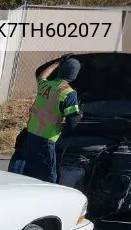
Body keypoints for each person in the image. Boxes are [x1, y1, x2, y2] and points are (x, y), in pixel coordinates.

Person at [22, 54, 82, 183]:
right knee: (49, 176)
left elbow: (41, 76)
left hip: (31, 136)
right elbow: (72, 121)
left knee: (30, 172)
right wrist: (79, 114)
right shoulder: (69, 93)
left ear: (60, 70)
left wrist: (56, 63)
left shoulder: (45, 85)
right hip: (47, 140)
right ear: (74, 75)